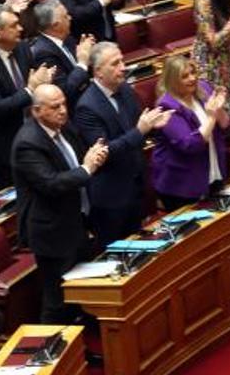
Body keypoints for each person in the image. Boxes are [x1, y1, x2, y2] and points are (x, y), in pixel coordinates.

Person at [12, 83, 108, 323]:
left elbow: (80, 158)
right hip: (52, 231)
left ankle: (80, 343)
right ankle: (53, 351)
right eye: (55, 107)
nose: (63, 110)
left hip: (76, 220)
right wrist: (87, 167)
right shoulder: (28, 143)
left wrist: (93, 156)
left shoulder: (64, 128)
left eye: (64, 103)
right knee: (57, 298)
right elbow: (51, 184)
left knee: (80, 288)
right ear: (37, 111)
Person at [74, 43, 172, 246]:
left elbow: (137, 130)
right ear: (99, 71)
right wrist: (141, 131)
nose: (123, 67)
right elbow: (104, 152)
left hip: (135, 187)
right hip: (111, 198)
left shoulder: (126, 90)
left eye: (122, 61)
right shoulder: (86, 107)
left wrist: (155, 126)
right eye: (115, 63)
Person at [0, 5, 54, 189]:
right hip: (4, 147)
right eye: (14, 25)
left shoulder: (22, 48)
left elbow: (35, 83)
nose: (21, 28)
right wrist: (31, 89)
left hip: (32, 135)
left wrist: (43, 83)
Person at [149, 56, 230, 212]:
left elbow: (226, 125)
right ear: (172, 81)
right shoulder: (167, 106)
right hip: (181, 186)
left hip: (212, 172)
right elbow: (191, 145)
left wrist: (218, 110)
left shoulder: (204, 89)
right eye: (184, 76)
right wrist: (211, 116)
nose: (192, 78)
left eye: (193, 73)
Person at [30, 0, 93, 109]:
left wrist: (88, 53)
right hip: (74, 109)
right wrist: (83, 62)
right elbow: (64, 91)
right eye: (65, 16)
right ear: (55, 25)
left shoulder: (67, 38)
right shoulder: (43, 53)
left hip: (87, 95)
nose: (70, 17)